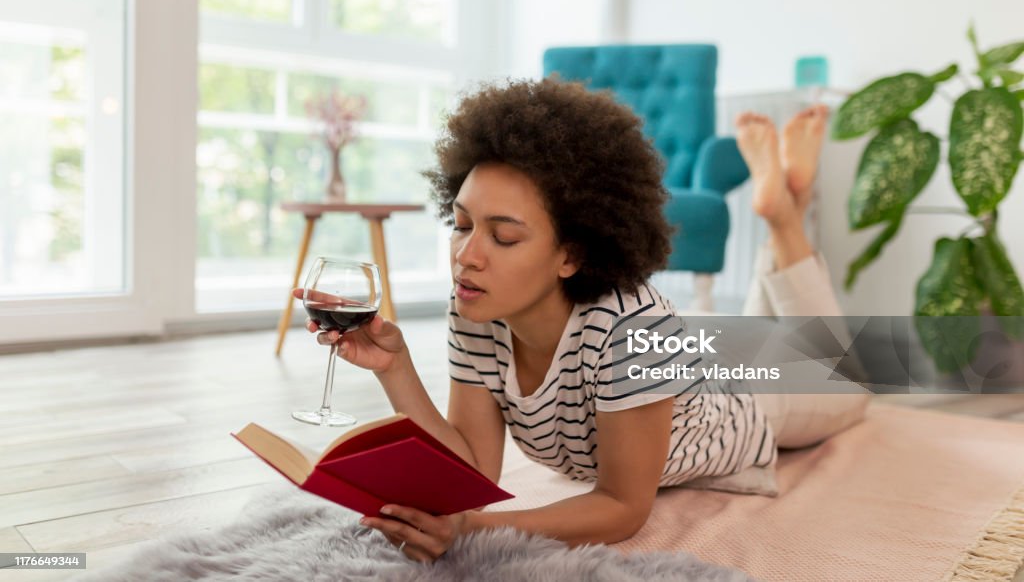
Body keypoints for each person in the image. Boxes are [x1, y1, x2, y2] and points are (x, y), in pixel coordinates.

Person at [293, 79, 869, 563]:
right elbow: (469, 466)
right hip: (681, 358)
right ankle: (787, 206)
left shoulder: (630, 335)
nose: (467, 254)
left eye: (505, 235)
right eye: (463, 223)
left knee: (844, 376)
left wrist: (476, 532)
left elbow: (622, 505)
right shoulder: (477, 305)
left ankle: (785, 217)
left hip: (746, 397)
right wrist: (395, 369)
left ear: (572, 254)